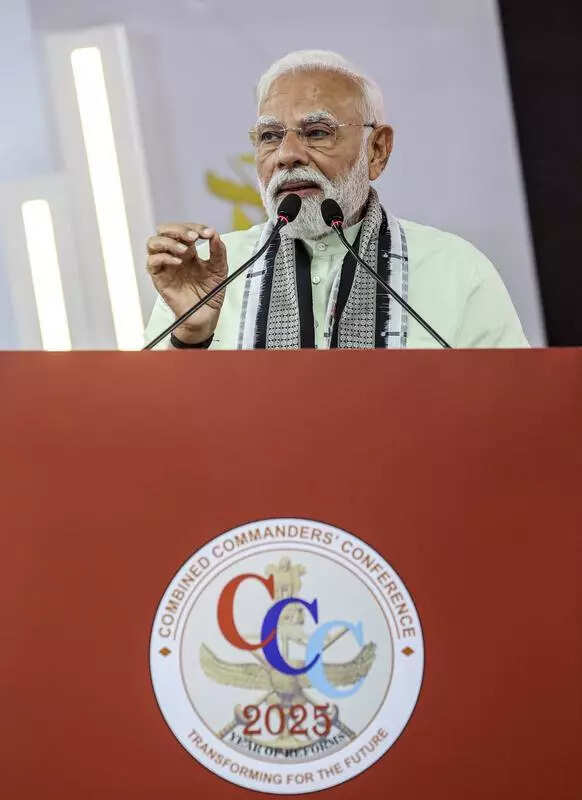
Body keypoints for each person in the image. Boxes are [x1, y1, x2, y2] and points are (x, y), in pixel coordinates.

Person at [144, 50, 528, 350]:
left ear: (377, 150)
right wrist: (191, 336)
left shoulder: (457, 270)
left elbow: (510, 407)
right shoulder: (208, 278)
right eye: (270, 136)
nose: (287, 154)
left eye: (317, 132)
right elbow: (155, 417)